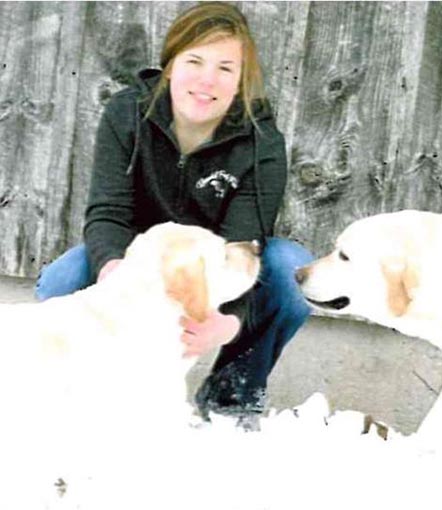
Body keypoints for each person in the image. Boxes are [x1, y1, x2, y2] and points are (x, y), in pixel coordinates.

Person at [35, 2, 314, 421]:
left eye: (225, 67)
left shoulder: (261, 141)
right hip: (140, 258)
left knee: (291, 269)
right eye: (194, 61)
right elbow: (107, 212)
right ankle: (79, 395)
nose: (207, 80)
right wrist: (115, 271)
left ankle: (230, 400)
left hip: (216, 263)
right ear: (170, 65)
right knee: (63, 279)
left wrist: (227, 324)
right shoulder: (127, 113)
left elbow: (244, 243)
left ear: (241, 81)